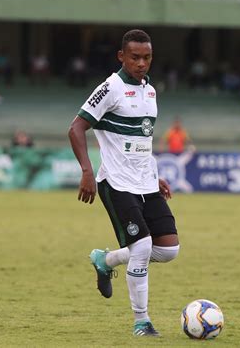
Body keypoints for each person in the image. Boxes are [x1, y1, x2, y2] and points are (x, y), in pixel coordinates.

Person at [68, 29, 179, 337]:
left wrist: (155, 177)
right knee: (142, 246)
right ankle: (141, 322)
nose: (141, 63)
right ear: (121, 56)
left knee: (169, 250)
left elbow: (142, 142)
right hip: (116, 182)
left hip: (145, 181)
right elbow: (76, 128)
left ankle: (106, 260)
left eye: (147, 57)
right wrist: (87, 171)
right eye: (135, 57)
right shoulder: (110, 88)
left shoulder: (150, 91)